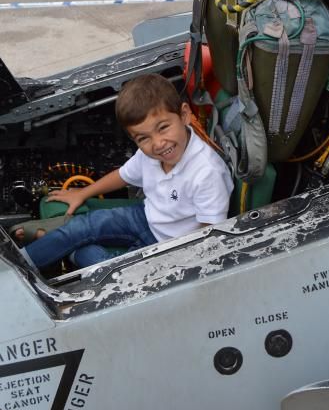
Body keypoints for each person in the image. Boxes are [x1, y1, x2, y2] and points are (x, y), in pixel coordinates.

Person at [23, 74, 233, 270]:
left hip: (172, 244)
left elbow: (210, 235)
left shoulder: (207, 172)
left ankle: (67, 249)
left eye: (163, 128)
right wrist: (83, 193)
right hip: (145, 216)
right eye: (143, 138)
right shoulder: (150, 154)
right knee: (83, 226)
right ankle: (22, 264)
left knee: (109, 269)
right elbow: (122, 175)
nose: (158, 143)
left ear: (184, 115)